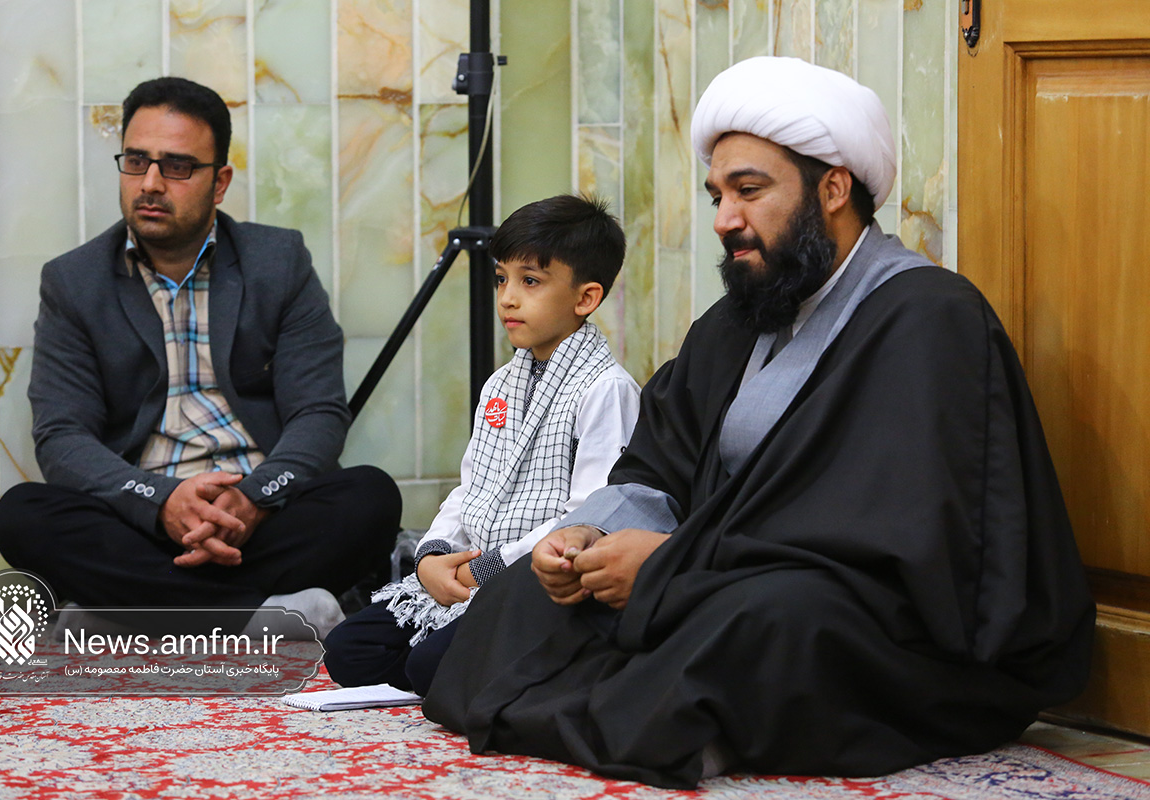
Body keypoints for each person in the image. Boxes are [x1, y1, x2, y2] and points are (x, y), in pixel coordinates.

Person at [422, 57, 1095, 787]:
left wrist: (671, 567)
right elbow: (657, 463)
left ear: (833, 188)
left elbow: (894, 539)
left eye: (749, 191)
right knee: (524, 595)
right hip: (707, 575)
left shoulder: (928, 318)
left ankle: (663, 711)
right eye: (717, 195)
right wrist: (588, 537)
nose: (724, 220)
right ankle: (663, 713)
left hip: (865, 612)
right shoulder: (740, 317)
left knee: (768, 620)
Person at [0, 77, 400, 638]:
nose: (150, 183)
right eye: (137, 161)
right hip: (139, 515)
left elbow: (320, 412)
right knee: (23, 514)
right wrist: (162, 502)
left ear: (220, 181)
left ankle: (127, 612)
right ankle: (261, 614)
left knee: (370, 497)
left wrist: (251, 499)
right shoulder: (74, 281)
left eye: (178, 166)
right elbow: (62, 436)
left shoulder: (278, 261)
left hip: (259, 514)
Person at [323, 195, 640, 694]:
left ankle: (551, 661)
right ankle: (470, 664)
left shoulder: (607, 390)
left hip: (533, 580)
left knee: (431, 666)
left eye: (530, 281)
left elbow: (588, 517)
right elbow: (471, 489)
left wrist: (489, 568)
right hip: (468, 570)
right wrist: (432, 557)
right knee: (348, 651)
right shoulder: (499, 385)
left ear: (586, 298)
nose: (507, 298)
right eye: (501, 279)